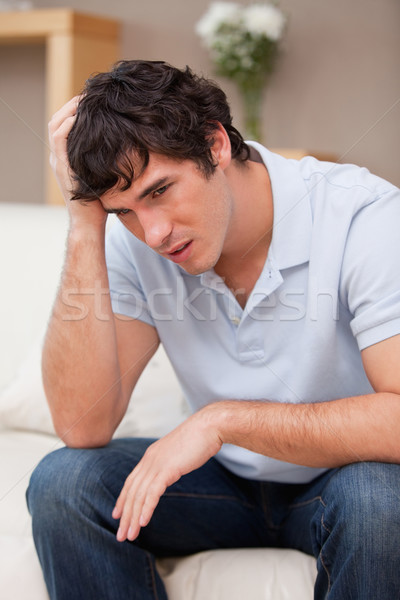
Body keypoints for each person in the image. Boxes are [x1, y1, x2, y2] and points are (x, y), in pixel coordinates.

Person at [27, 60, 400, 600]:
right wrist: (85, 220)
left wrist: (222, 422)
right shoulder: (137, 240)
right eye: (123, 210)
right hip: (220, 486)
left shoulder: (364, 217)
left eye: (160, 191)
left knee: (381, 500)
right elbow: (82, 425)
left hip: (343, 478)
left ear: (215, 144)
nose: (153, 233)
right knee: (64, 483)